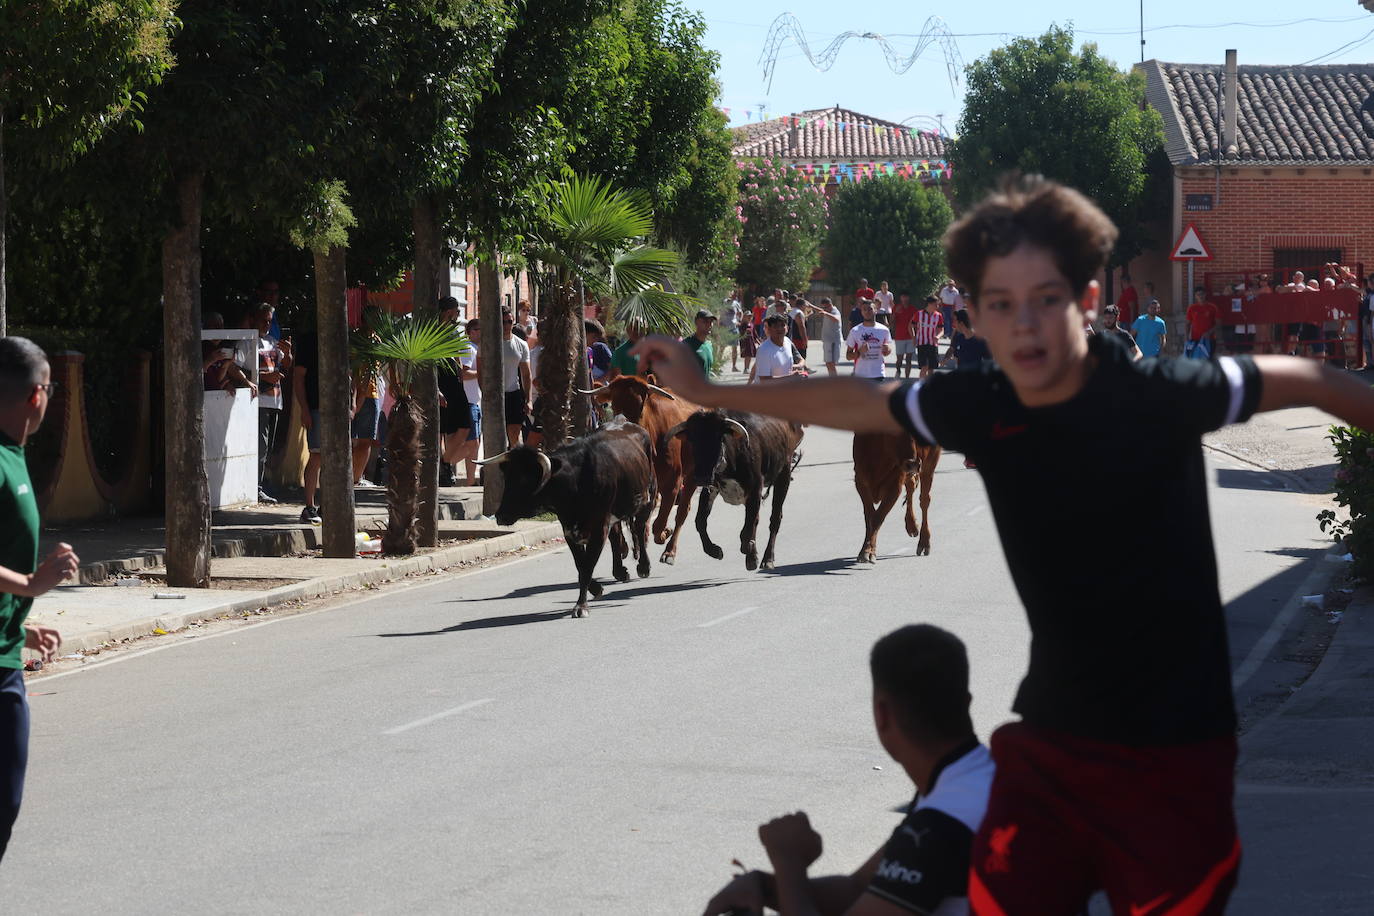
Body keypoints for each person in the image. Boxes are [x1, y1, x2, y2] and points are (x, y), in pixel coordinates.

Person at [635, 174, 1374, 915]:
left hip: (1175, 758)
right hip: (1052, 743)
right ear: (976, 318)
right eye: (1000, 305)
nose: (1024, 324)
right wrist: (708, 392)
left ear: (1088, 302)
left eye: (1046, 299)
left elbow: (1313, 377)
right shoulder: (983, 403)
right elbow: (857, 400)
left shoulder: (1161, 394)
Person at [702, 625, 993, 916]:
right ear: (967, 703)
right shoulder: (973, 780)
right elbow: (859, 889)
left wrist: (788, 861)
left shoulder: (943, 822)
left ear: (882, 715)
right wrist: (764, 886)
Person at [0, 337, 80, 863]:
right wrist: (30, 586)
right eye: (50, 388)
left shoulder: (14, 453)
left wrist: (19, 622)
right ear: (35, 395)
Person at [246, 303, 290, 503]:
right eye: (263, 320)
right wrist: (264, 380)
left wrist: (288, 353)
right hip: (258, 401)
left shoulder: (272, 342)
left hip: (275, 401)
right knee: (260, 446)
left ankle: (259, 485)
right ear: (253, 319)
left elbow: (286, 364)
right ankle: (254, 487)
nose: (266, 324)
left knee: (268, 447)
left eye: (269, 321)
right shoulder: (247, 342)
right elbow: (238, 369)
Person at [291, 331, 323, 522]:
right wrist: (304, 409)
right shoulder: (309, 341)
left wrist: (351, 404)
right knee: (317, 455)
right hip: (316, 407)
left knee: (332, 459)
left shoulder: (344, 339)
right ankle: (309, 506)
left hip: (338, 410)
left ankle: (327, 505)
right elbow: (298, 377)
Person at [351, 307, 383, 488]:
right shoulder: (359, 341)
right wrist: (360, 397)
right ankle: (353, 478)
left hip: (369, 394)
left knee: (363, 439)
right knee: (359, 440)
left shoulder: (375, 340)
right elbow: (359, 372)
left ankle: (356, 477)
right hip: (362, 395)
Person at [499, 307, 532, 446]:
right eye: (503, 322)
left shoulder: (521, 344)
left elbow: (526, 374)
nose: (507, 325)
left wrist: (528, 399)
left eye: (510, 321)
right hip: (495, 395)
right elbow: (482, 371)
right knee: (498, 434)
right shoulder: (489, 343)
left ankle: (514, 462)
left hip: (514, 394)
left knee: (514, 434)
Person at [748, 314, 806, 382]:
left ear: (787, 328)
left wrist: (797, 367)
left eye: (782, 325)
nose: (780, 329)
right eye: (775, 326)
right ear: (769, 329)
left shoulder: (787, 341)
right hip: (767, 392)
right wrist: (791, 377)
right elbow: (764, 381)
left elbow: (801, 360)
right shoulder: (764, 350)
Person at [845, 299, 893, 379]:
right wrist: (859, 352)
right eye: (864, 309)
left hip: (878, 373)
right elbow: (848, 356)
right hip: (860, 375)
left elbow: (886, 351)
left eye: (870, 309)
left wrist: (888, 350)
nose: (867, 312)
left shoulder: (884, 330)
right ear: (861, 312)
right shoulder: (855, 331)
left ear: (876, 311)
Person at [805, 297, 843, 377]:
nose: (824, 309)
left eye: (825, 307)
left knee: (831, 363)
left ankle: (834, 380)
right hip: (827, 340)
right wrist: (811, 306)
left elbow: (836, 319)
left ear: (830, 305)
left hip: (833, 340)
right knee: (828, 362)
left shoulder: (835, 311)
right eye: (823, 307)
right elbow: (820, 310)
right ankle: (832, 379)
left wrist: (825, 313)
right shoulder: (827, 310)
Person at [889, 292, 920, 379]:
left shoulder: (913, 309)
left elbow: (917, 324)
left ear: (909, 298)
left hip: (910, 337)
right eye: (903, 297)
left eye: (906, 297)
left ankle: (907, 378)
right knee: (899, 359)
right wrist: (895, 313)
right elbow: (891, 322)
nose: (905, 299)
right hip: (899, 337)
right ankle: (898, 370)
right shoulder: (896, 308)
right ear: (901, 298)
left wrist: (916, 336)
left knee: (909, 359)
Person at [1185, 286, 1221, 359]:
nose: (1200, 296)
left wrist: (1209, 332)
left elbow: (1219, 323)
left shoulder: (1212, 307)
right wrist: (1186, 337)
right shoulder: (1192, 308)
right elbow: (1187, 324)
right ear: (1195, 296)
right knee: (1195, 359)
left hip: (1209, 339)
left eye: (1202, 294)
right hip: (1195, 339)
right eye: (1198, 294)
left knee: (1209, 360)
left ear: (1205, 294)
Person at [914, 295, 943, 380]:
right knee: (924, 367)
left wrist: (938, 336)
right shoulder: (919, 314)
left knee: (931, 368)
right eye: (936, 304)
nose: (937, 306)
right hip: (921, 343)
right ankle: (921, 385)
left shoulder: (939, 316)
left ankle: (930, 386)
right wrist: (913, 337)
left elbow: (941, 329)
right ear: (929, 304)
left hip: (933, 344)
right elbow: (911, 325)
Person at [683, 309, 717, 375]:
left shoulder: (709, 345)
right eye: (705, 321)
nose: (709, 324)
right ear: (696, 322)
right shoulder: (686, 345)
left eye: (711, 321)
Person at [721, 294, 744, 372]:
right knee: (722, 347)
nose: (733, 295)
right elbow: (720, 313)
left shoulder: (736, 303)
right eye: (732, 294)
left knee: (734, 348)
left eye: (735, 294)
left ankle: (734, 366)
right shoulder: (724, 302)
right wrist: (720, 323)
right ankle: (718, 366)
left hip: (733, 328)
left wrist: (739, 321)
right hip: (725, 328)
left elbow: (740, 312)